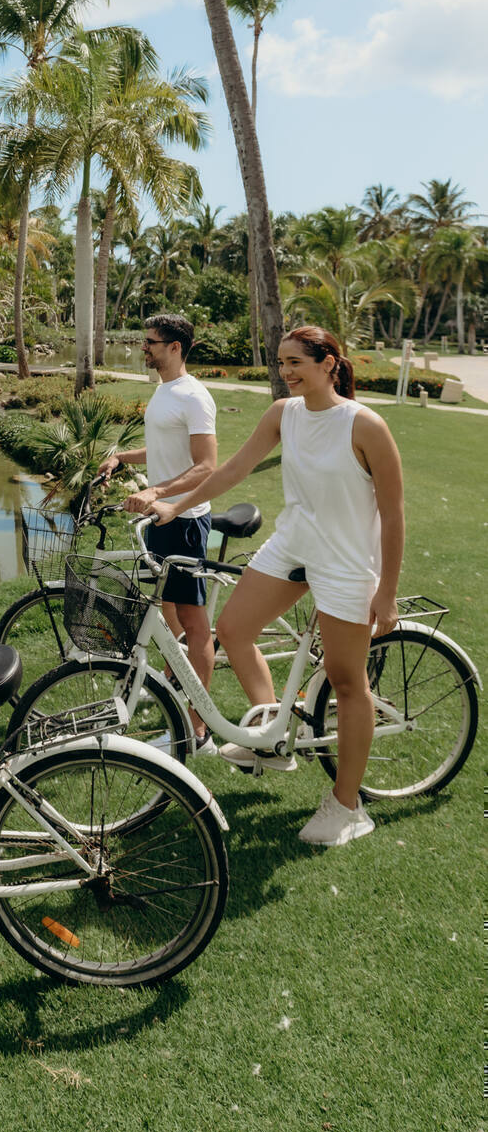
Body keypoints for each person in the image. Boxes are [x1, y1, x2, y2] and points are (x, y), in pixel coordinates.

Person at [153, 324, 404, 846]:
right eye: (281, 362)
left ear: (329, 363)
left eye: (296, 363)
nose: (286, 372)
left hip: (345, 560)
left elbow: (394, 514)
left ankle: (347, 805)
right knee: (233, 628)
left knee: (346, 678)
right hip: (293, 544)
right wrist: (174, 505)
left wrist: (386, 592)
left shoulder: (365, 425)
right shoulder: (282, 414)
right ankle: (272, 737)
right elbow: (233, 470)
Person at [98, 313, 219, 752]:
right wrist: (121, 458)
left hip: (184, 521)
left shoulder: (194, 396)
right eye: (144, 340)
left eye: (151, 341)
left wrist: (156, 491)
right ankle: (175, 682)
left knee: (192, 620)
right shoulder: (164, 391)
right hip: (160, 519)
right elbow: (165, 447)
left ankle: (198, 728)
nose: (143, 347)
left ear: (175, 347)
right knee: (164, 607)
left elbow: (206, 465)